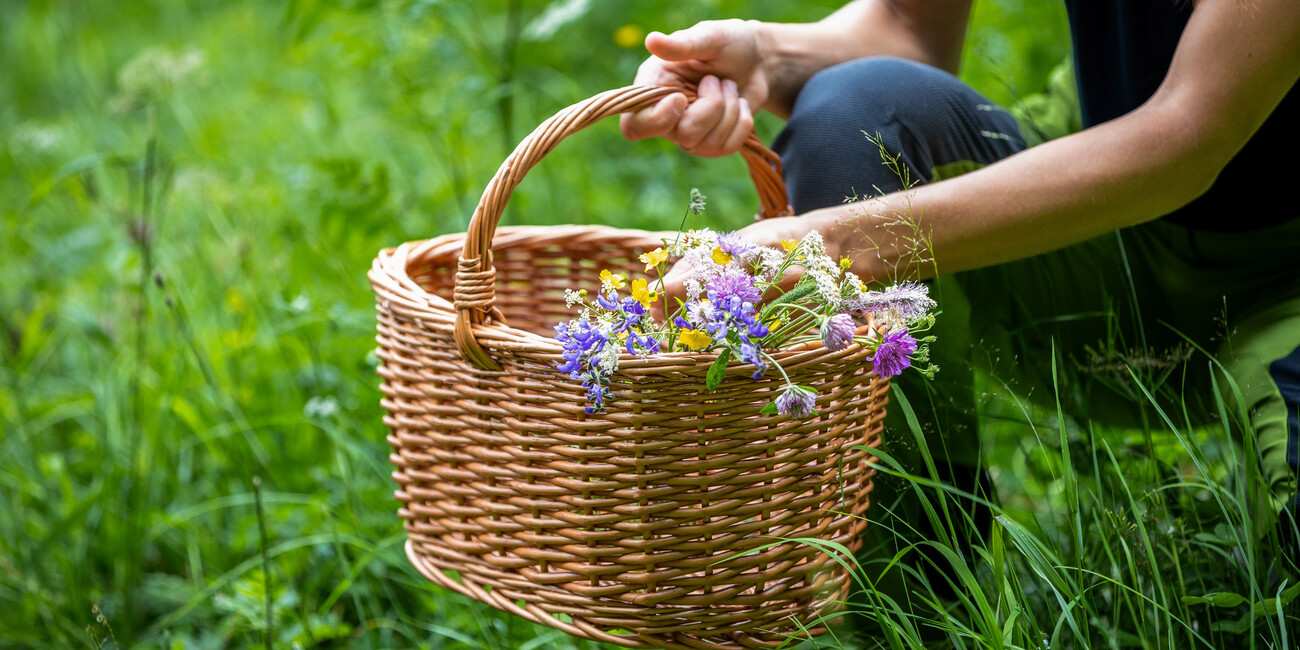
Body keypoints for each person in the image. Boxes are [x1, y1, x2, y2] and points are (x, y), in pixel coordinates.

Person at [620, 0, 1300, 579]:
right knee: (851, 118)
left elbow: (1189, 133)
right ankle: (926, 596)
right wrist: (764, 55)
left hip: (1281, 275)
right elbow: (906, 25)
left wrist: (831, 244)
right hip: (1089, 223)